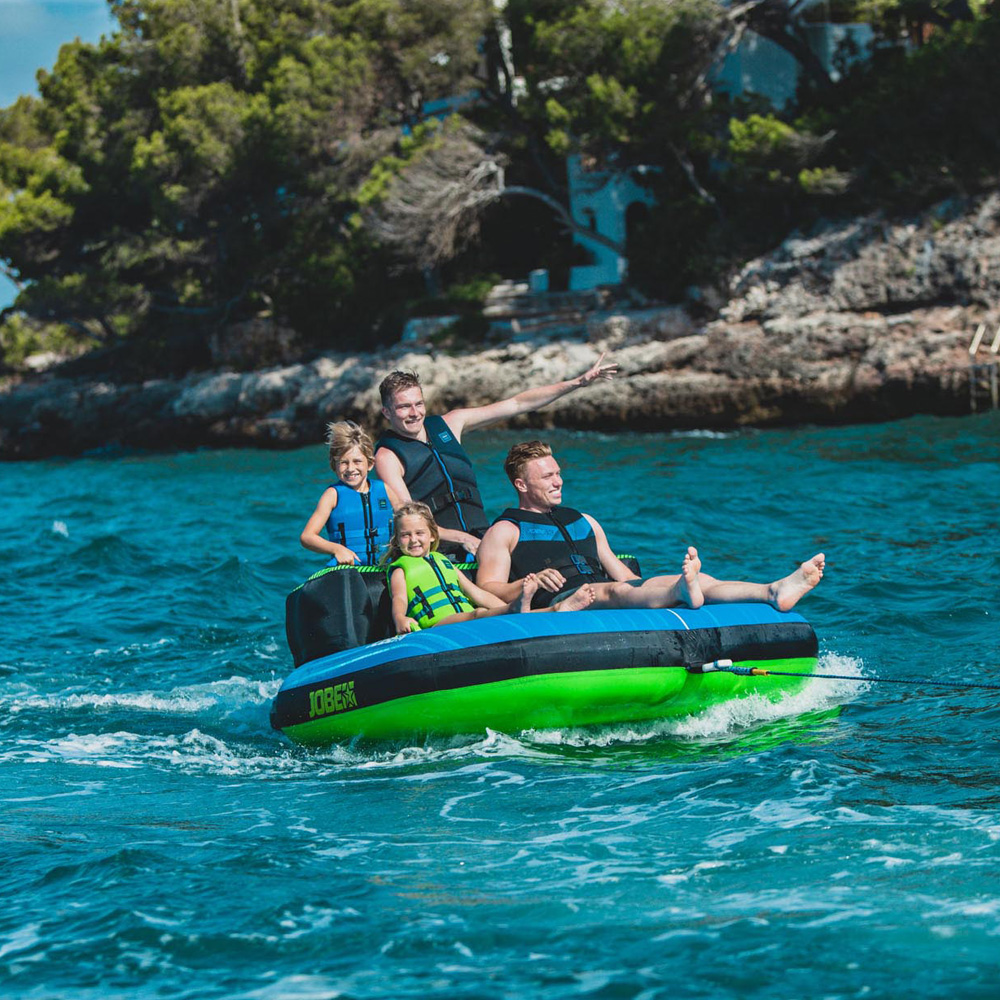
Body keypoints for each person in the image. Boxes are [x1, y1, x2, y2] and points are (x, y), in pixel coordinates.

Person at [476, 440, 826, 613]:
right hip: (561, 604)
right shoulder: (505, 531)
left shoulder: (583, 520)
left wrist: (650, 590)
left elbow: (619, 574)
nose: (558, 481)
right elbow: (487, 590)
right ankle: (680, 592)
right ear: (521, 485)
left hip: (604, 593)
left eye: (558, 473)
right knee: (611, 591)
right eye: (547, 476)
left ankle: (771, 591)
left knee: (681, 582)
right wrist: (528, 582)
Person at [374, 354, 618, 561]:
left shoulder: (450, 424)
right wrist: (461, 538)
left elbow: (517, 403)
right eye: (404, 407)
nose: (415, 413)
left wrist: (578, 382)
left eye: (419, 404)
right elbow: (408, 519)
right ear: (387, 411)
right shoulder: (388, 456)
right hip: (440, 551)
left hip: (483, 539)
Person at [386, 502, 596, 633]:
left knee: (489, 611)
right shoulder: (400, 569)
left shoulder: (444, 562)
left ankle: (556, 609)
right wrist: (400, 618)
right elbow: (399, 598)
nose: (413, 540)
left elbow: (475, 592)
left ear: (432, 535)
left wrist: (506, 607)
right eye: (406, 535)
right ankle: (517, 610)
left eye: (419, 533)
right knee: (479, 614)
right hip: (436, 626)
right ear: (397, 540)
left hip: (464, 618)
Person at [300, 421, 399, 566]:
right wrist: (337, 549)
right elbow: (307, 537)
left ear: (370, 464)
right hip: (348, 568)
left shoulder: (385, 490)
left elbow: (408, 521)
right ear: (335, 466)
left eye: (357, 461)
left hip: (385, 566)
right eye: (343, 462)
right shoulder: (332, 495)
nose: (350, 468)